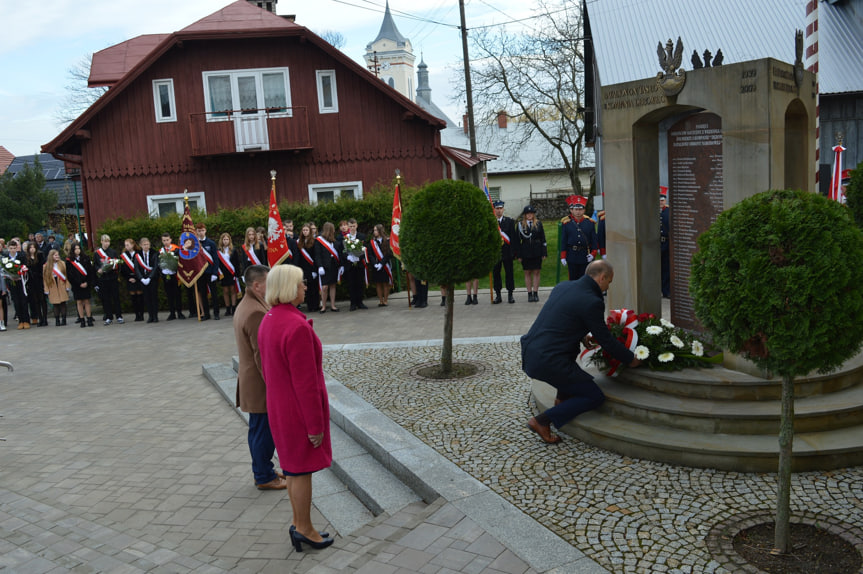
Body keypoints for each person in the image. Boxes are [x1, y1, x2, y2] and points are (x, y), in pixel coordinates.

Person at [257, 265, 334, 552]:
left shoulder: (269, 318)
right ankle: (304, 528)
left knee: (292, 469)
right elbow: (306, 384)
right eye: (302, 283)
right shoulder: (296, 326)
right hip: (297, 412)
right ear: (290, 287)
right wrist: (315, 426)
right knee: (301, 471)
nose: (306, 287)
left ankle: (299, 523)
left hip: (279, 406)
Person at [521, 260, 641, 444]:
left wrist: (583, 336)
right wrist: (630, 359)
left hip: (532, 352)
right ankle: (542, 421)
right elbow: (606, 339)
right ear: (602, 277)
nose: (609, 285)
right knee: (594, 396)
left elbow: (562, 320)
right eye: (609, 281)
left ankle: (562, 400)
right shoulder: (592, 301)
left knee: (570, 361)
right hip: (548, 361)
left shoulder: (564, 286)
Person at [232, 264, 287, 491]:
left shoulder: (250, 304)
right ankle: (263, 476)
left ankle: (263, 468)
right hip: (259, 383)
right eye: (268, 282)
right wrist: (275, 386)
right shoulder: (255, 311)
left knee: (259, 429)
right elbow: (261, 355)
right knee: (263, 431)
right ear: (256, 285)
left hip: (252, 380)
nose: (272, 286)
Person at [560, 195, 598, 281]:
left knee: (584, 279)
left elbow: (594, 241)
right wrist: (563, 256)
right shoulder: (567, 224)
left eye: (580, 209)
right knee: (573, 279)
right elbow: (564, 241)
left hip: (585, 255)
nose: (578, 212)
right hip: (572, 255)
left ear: (584, 210)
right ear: (572, 210)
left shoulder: (590, 223)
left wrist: (593, 253)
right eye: (576, 209)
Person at [515, 205, 547, 303]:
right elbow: (517, 241)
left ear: (533, 214)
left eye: (531, 213)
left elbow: (543, 239)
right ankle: (529, 293)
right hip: (525, 251)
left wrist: (544, 252)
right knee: (527, 272)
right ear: (525, 215)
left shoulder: (538, 224)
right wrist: (518, 254)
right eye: (527, 213)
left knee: (537, 272)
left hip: (537, 250)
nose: (529, 215)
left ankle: (536, 293)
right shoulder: (520, 225)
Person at [93, 234, 123, 325]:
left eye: (108, 241)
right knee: (106, 298)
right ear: (101, 242)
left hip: (112, 277)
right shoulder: (97, 253)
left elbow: (117, 262)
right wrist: (99, 269)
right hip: (103, 279)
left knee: (116, 297)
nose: (107, 243)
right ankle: (109, 317)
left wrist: (113, 265)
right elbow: (95, 264)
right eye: (105, 241)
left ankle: (119, 316)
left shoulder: (113, 252)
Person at [194, 223, 220, 321]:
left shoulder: (211, 243)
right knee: (203, 293)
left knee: (214, 293)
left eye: (202, 230)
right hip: (200, 273)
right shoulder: (195, 244)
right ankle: (206, 313)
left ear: (205, 231)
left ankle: (216, 313)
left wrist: (214, 273)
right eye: (199, 231)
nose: (201, 232)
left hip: (210, 272)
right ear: (196, 231)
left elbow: (215, 259)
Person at [491, 200, 516, 304]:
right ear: (494, 209)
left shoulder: (509, 221)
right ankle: (498, 295)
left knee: (509, 273)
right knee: (496, 274)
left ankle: (510, 294)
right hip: (495, 253)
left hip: (507, 252)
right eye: (497, 208)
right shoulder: (491, 222)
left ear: (503, 209)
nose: (499, 211)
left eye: (501, 208)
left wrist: (514, 252)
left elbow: (513, 238)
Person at [313, 222, 341, 313]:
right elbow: (317, 255)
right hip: (324, 267)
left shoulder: (334, 240)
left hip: (333, 265)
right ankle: (323, 306)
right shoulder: (319, 241)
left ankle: (333, 305)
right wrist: (320, 266)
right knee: (324, 287)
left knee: (333, 285)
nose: (333, 230)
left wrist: (341, 266)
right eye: (332, 229)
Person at [342, 218, 367, 311]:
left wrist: (358, 256)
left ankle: (360, 302)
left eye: (354, 226)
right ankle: (353, 303)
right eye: (350, 226)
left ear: (357, 226)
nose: (352, 228)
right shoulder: (345, 238)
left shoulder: (361, 236)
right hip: (349, 264)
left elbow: (365, 249)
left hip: (359, 263)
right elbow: (343, 251)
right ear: (348, 227)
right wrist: (348, 257)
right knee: (351, 284)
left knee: (360, 283)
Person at [67, 242, 95, 328]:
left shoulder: (85, 258)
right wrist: (78, 283)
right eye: (75, 249)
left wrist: (87, 282)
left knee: (87, 301)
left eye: (78, 248)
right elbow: (70, 275)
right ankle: (82, 319)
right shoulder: (69, 261)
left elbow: (90, 271)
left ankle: (89, 318)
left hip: (86, 283)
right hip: (77, 285)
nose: (77, 250)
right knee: (79, 302)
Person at [295, 223, 321, 313]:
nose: (305, 232)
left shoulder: (314, 241)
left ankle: (316, 305)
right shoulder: (299, 242)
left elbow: (316, 256)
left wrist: (315, 269)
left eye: (307, 230)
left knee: (314, 287)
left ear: (310, 231)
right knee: (307, 287)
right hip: (303, 268)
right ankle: (310, 306)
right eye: (304, 230)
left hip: (312, 268)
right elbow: (298, 256)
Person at [6, 240, 31, 329]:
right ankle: (20, 320)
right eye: (11, 248)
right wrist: (10, 276)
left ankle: (26, 320)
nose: (12, 250)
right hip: (12, 282)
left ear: (17, 248)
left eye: (14, 248)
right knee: (16, 301)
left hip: (21, 281)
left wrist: (20, 274)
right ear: (8, 248)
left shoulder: (21, 256)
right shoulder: (6, 258)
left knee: (23, 301)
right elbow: (4, 270)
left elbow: (25, 267)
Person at [160, 233, 185, 320]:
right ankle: (172, 313)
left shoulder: (176, 249)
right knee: (169, 295)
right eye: (164, 240)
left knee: (177, 294)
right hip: (166, 275)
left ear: (170, 240)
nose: (166, 242)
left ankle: (179, 312)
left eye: (167, 240)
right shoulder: (161, 251)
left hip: (175, 275)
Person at [136, 237, 160, 323]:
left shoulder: (154, 253)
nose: (146, 246)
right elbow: (137, 268)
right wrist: (141, 278)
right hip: (143, 279)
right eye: (144, 245)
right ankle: (150, 316)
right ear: (140, 245)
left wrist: (150, 277)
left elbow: (155, 267)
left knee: (154, 297)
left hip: (152, 279)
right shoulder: (138, 255)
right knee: (147, 298)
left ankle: (155, 316)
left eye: (147, 244)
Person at [43, 249, 70, 326]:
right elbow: (45, 279)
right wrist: (46, 289)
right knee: (55, 304)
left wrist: (67, 286)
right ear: (51, 256)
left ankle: (64, 319)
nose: (57, 256)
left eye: (58, 255)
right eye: (55, 255)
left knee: (63, 303)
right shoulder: (46, 266)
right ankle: (57, 320)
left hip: (62, 284)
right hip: (52, 286)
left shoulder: (62, 264)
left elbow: (66, 276)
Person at [120, 238, 145, 321]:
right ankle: (136, 314)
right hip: (129, 278)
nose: (126, 247)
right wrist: (128, 278)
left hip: (138, 278)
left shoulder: (139, 254)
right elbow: (122, 269)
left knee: (140, 296)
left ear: (133, 244)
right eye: (125, 245)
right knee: (133, 297)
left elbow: (141, 267)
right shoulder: (124, 256)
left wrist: (136, 278)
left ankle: (141, 314)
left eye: (128, 245)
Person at [367, 224, 392, 307]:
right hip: (376, 266)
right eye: (374, 230)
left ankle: (385, 300)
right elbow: (370, 254)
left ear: (380, 231)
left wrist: (382, 263)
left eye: (376, 230)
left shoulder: (387, 240)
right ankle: (380, 301)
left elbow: (388, 254)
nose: (374, 232)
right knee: (378, 283)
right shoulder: (372, 242)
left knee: (385, 283)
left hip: (385, 265)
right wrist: (375, 264)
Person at [217, 232, 241, 316]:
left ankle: (234, 307)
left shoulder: (233, 250)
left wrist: (237, 274)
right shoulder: (219, 251)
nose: (225, 241)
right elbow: (218, 263)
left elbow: (237, 262)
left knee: (233, 290)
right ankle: (227, 308)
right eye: (224, 239)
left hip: (232, 273)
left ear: (229, 240)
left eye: (227, 239)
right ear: (221, 240)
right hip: (223, 274)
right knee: (225, 291)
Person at [24, 241, 47, 326]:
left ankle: (45, 318)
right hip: (31, 281)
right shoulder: (26, 257)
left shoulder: (40, 255)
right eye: (30, 248)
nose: (32, 249)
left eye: (33, 247)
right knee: (35, 300)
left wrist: (39, 274)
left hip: (40, 280)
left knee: (42, 299)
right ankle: (40, 318)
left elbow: (43, 266)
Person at [660, 192, 670, 298]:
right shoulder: (653, 212)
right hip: (656, 244)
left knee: (666, 267)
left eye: (662, 201)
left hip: (666, 242)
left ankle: (666, 290)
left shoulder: (668, 212)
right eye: (659, 201)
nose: (661, 203)